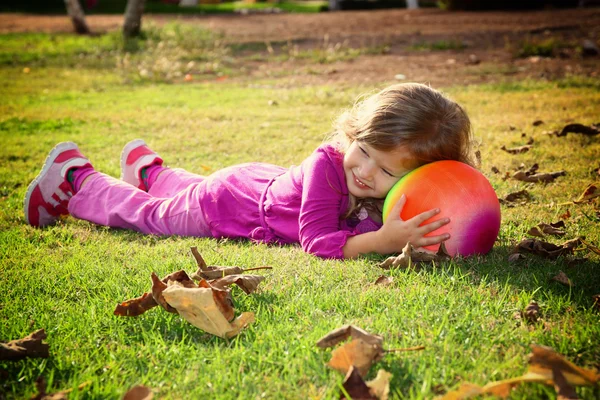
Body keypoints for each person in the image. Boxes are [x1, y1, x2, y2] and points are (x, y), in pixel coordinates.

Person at [24, 83, 475, 259]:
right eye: (364, 151)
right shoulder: (328, 164)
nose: (365, 173)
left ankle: (149, 171)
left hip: (258, 182)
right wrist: (383, 241)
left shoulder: (399, 191)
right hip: (230, 206)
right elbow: (317, 242)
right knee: (155, 217)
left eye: (387, 172)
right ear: (353, 132)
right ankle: (75, 180)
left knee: (178, 192)